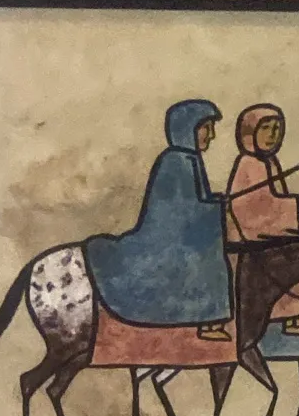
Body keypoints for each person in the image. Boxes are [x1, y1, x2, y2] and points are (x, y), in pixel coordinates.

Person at [84, 101, 233, 341]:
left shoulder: (190, 159)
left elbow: (195, 202)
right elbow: (181, 213)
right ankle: (208, 321)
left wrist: (215, 202)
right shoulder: (176, 162)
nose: (212, 135)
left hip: (182, 239)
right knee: (207, 259)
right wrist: (216, 208)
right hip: (167, 245)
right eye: (206, 128)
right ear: (187, 128)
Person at [226, 104, 299, 334]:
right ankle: (288, 318)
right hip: (251, 241)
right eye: (266, 128)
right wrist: (293, 206)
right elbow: (250, 209)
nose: (273, 135)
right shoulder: (249, 164)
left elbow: (274, 200)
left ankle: (295, 318)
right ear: (250, 132)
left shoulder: (270, 162)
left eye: (277, 128)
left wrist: (295, 207)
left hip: (272, 234)